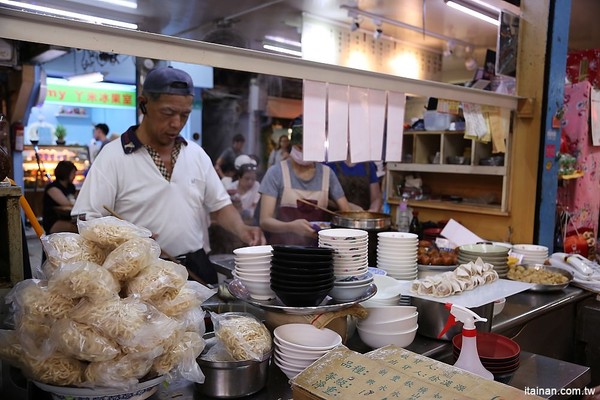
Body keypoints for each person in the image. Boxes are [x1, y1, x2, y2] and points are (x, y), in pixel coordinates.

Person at [72, 66, 264, 284]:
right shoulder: (113, 156)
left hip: (194, 266)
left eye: (184, 115)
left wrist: (242, 229)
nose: (176, 123)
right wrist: (126, 239)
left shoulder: (195, 154)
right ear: (144, 104)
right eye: (168, 113)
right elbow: (87, 219)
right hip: (138, 271)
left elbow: (220, 207)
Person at [259, 116, 351, 246]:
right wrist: (290, 227)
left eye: (308, 149)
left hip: (319, 251)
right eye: (299, 148)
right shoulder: (276, 172)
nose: (304, 154)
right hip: (283, 250)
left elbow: (345, 212)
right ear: (292, 145)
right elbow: (265, 220)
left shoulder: (327, 174)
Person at [43, 160, 78, 234]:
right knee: (77, 228)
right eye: (73, 173)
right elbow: (66, 203)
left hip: (67, 218)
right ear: (66, 173)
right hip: (53, 221)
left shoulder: (71, 187)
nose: (75, 176)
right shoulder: (52, 188)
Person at [230, 154, 261, 224]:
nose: (250, 182)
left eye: (253, 179)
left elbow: (254, 209)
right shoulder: (231, 188)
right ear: (239, 177)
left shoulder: (257, 187)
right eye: (247, 179)